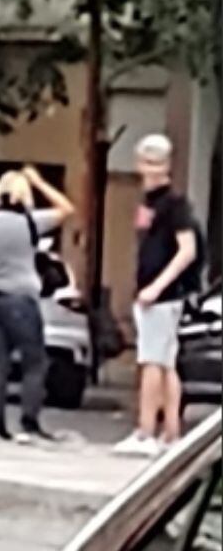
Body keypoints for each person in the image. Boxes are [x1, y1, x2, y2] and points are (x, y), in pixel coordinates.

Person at [0, 167, 75, 441]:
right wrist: (39, 182)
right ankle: (29, 422)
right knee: (34, 363)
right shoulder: (29, 223)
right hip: (21, 300)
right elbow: (66, 209)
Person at [114, 134, 202, 457]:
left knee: (151, 361)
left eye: (157, 162)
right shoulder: (148, 203)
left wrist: (157, 286)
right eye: (146, 161)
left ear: (167, 166)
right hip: (154, 293)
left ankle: (145, 431)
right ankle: (170, 434)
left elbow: (187, 250)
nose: (151, 169)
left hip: (162, 296)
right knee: (165, 362)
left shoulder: (174, 205)